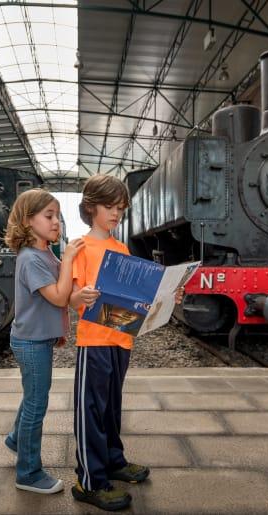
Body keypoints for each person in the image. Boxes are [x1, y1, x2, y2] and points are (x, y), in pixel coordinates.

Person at [68, 175, 182, 511]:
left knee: (111, 406)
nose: (116, 213)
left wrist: (168, 295)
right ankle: (88, 481)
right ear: (91, 207)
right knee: (90, 409)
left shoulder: (121, 249)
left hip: (121, 339)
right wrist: (80, 295)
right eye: (109, 207)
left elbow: (136, 300)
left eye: (120, 208)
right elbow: (71, 299)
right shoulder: (80, 247)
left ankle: (114, 461)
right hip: (93, 341)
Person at [3, 188, 84, 494]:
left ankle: (15, 440)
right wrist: (70, 260)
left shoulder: (44, 253)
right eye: (48, 216)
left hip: (38, 338)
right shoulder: (31, 259)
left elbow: (54, 303)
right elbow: (59, 295)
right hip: (30, 342)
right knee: (37, 404)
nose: (56, 223)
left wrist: (58, 329)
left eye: (58, 217)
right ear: (27, 220)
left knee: (32, 396)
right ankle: (28, 473)